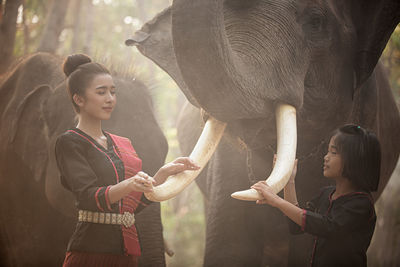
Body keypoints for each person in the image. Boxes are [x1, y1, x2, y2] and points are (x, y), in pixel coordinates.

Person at [55, 54, 200, 267]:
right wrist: (129, 184)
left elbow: (129, 206)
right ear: (79, 99)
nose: (110, 99)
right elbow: (88, 197)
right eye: (101, 92)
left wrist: (160, 176)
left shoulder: (120, 143)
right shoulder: (70, 142)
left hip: (127, 253)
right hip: (91, 253)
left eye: (112, 92)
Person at [251, 125, 381, 267]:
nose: (326, 157)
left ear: (355, 160)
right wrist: (289, 181)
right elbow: (296, 225)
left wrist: (276, 200)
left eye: (334, 152)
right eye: (328, 151)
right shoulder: (326, 194)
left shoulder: (361, 204)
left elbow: (328, 226)